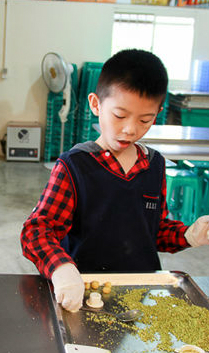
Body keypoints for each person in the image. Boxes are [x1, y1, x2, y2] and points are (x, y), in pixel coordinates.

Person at [20, 49, 209, 313]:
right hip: (85, 293)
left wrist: (188, 235)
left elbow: (154, 231)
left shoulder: (154, 165)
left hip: (141, 292)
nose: (131, 129)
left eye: (145, 120)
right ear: (96, 104)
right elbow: (36, 231)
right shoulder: (74, 166)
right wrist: (61, 269)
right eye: (120, 116)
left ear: (158, 113)